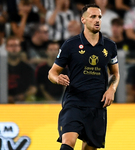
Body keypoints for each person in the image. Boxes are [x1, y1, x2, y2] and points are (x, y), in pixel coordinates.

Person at [48, 4, 120, 150]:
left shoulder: (110, 46)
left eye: (99, 16)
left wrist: (112, 89)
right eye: (92, 17)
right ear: (83, 20)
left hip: (97, 105)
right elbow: (52, 72)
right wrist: (57, 79)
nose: (97, 20)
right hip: (74, 102)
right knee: (68, 142)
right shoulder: (70, 45)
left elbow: (115, 73)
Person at [0, 36, 37, 103]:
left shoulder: (28, 68)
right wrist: (5, 97)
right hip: (2, 101)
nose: (14, 48)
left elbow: (33, 88)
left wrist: (24, 95)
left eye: (16, 45)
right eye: (11, 46)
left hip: (23, 102)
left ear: (20, 48)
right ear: (6, 48)